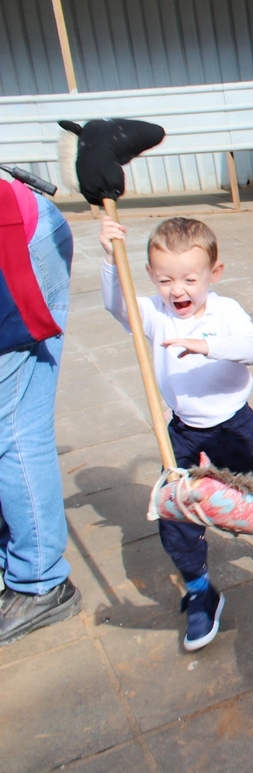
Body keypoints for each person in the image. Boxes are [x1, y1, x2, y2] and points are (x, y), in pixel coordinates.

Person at [98, 216, 253, 651]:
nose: (178, 290)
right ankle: (199, 591)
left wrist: (206, 345)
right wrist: (112, 261)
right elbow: (119, 307)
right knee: (175, 511)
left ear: (214, 273)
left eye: (190, 279)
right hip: (182, 432)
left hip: (233, 425)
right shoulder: (154, 313)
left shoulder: (225, 311)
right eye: (165, 279)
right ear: (151, 276)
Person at [0, 179, 81, 646]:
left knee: (14, 429)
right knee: (16, 425)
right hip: (23, 229)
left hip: (15, 242)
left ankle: (38, 581)